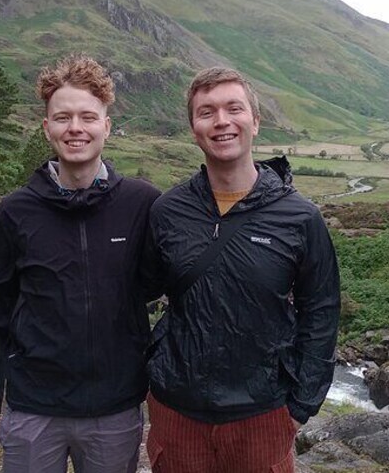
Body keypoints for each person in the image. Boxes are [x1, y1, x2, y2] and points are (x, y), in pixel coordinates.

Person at [0, 55, 160, 473]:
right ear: (47, 128)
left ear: (106, 127)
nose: (76, 128)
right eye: (63, 117)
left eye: (88, 117)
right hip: (33, 408)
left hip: (114, 407)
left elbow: (169, 283)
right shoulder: (16, 211)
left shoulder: (142, 203)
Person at [143, 67, 341, 472]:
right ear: (193, 127)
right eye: (207, 112)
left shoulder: (300, 218)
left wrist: (302, 403)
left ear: (255, 121)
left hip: (262, 413)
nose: (221, 122)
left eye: (234, 108)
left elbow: (321, 310)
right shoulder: (168, 211)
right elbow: (137, 293)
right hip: (176, 410)